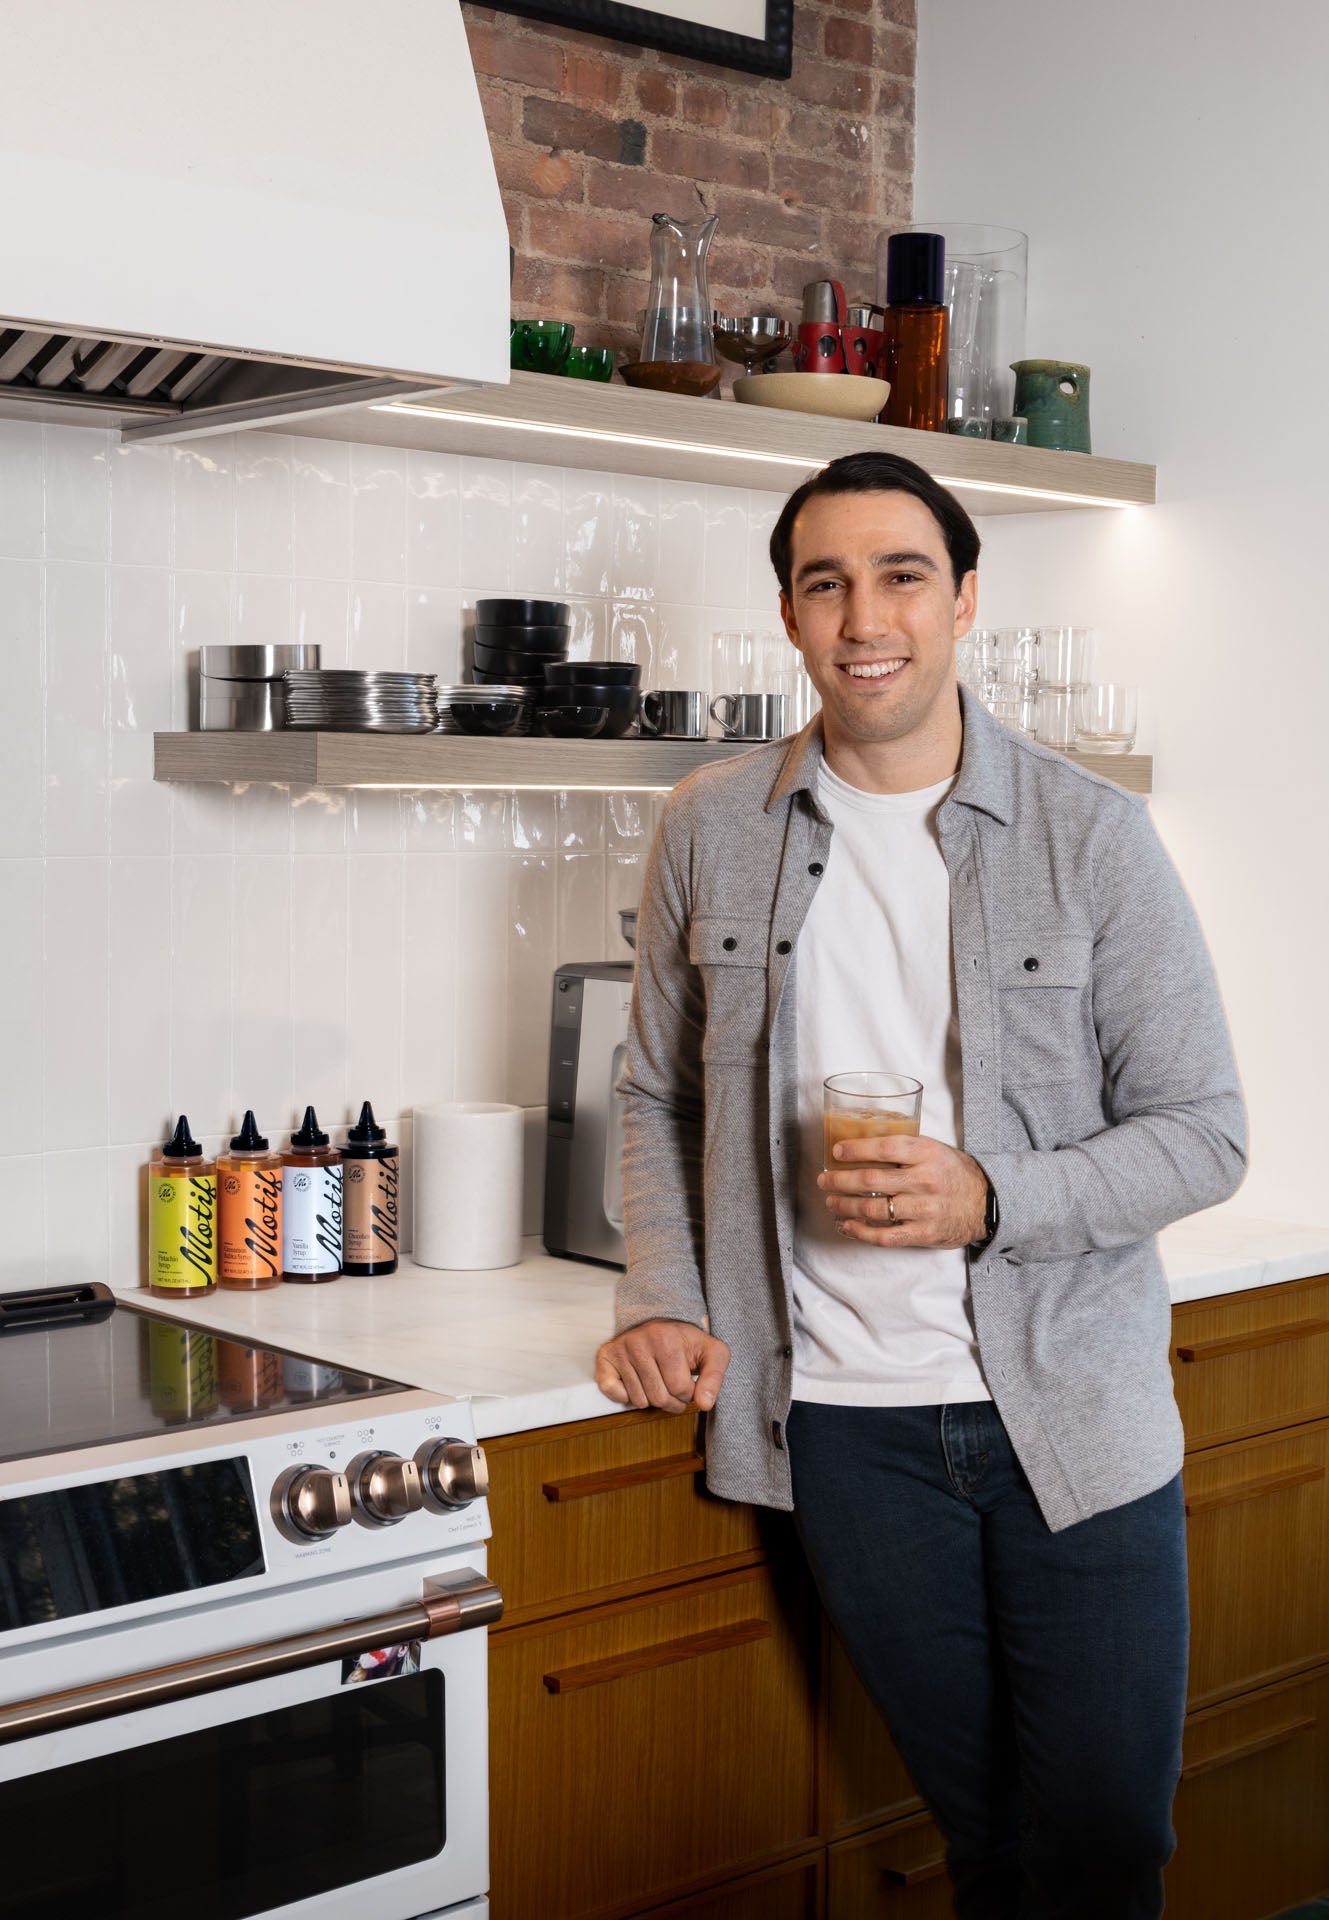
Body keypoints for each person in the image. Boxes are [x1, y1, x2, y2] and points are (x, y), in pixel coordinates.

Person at [594, 451, 1246, 1920]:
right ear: (787, 614)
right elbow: (656, 1090)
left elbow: (1202, 1128)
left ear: (962, 603)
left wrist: (988, 1198)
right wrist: (660, 1290)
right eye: (824, 582)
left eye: (899, 576)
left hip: (1069, 1417)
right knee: (983, 1833)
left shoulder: (1092, 836)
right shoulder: (711, 824)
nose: (862, 615)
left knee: (1099, 1843)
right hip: (840, 1426)